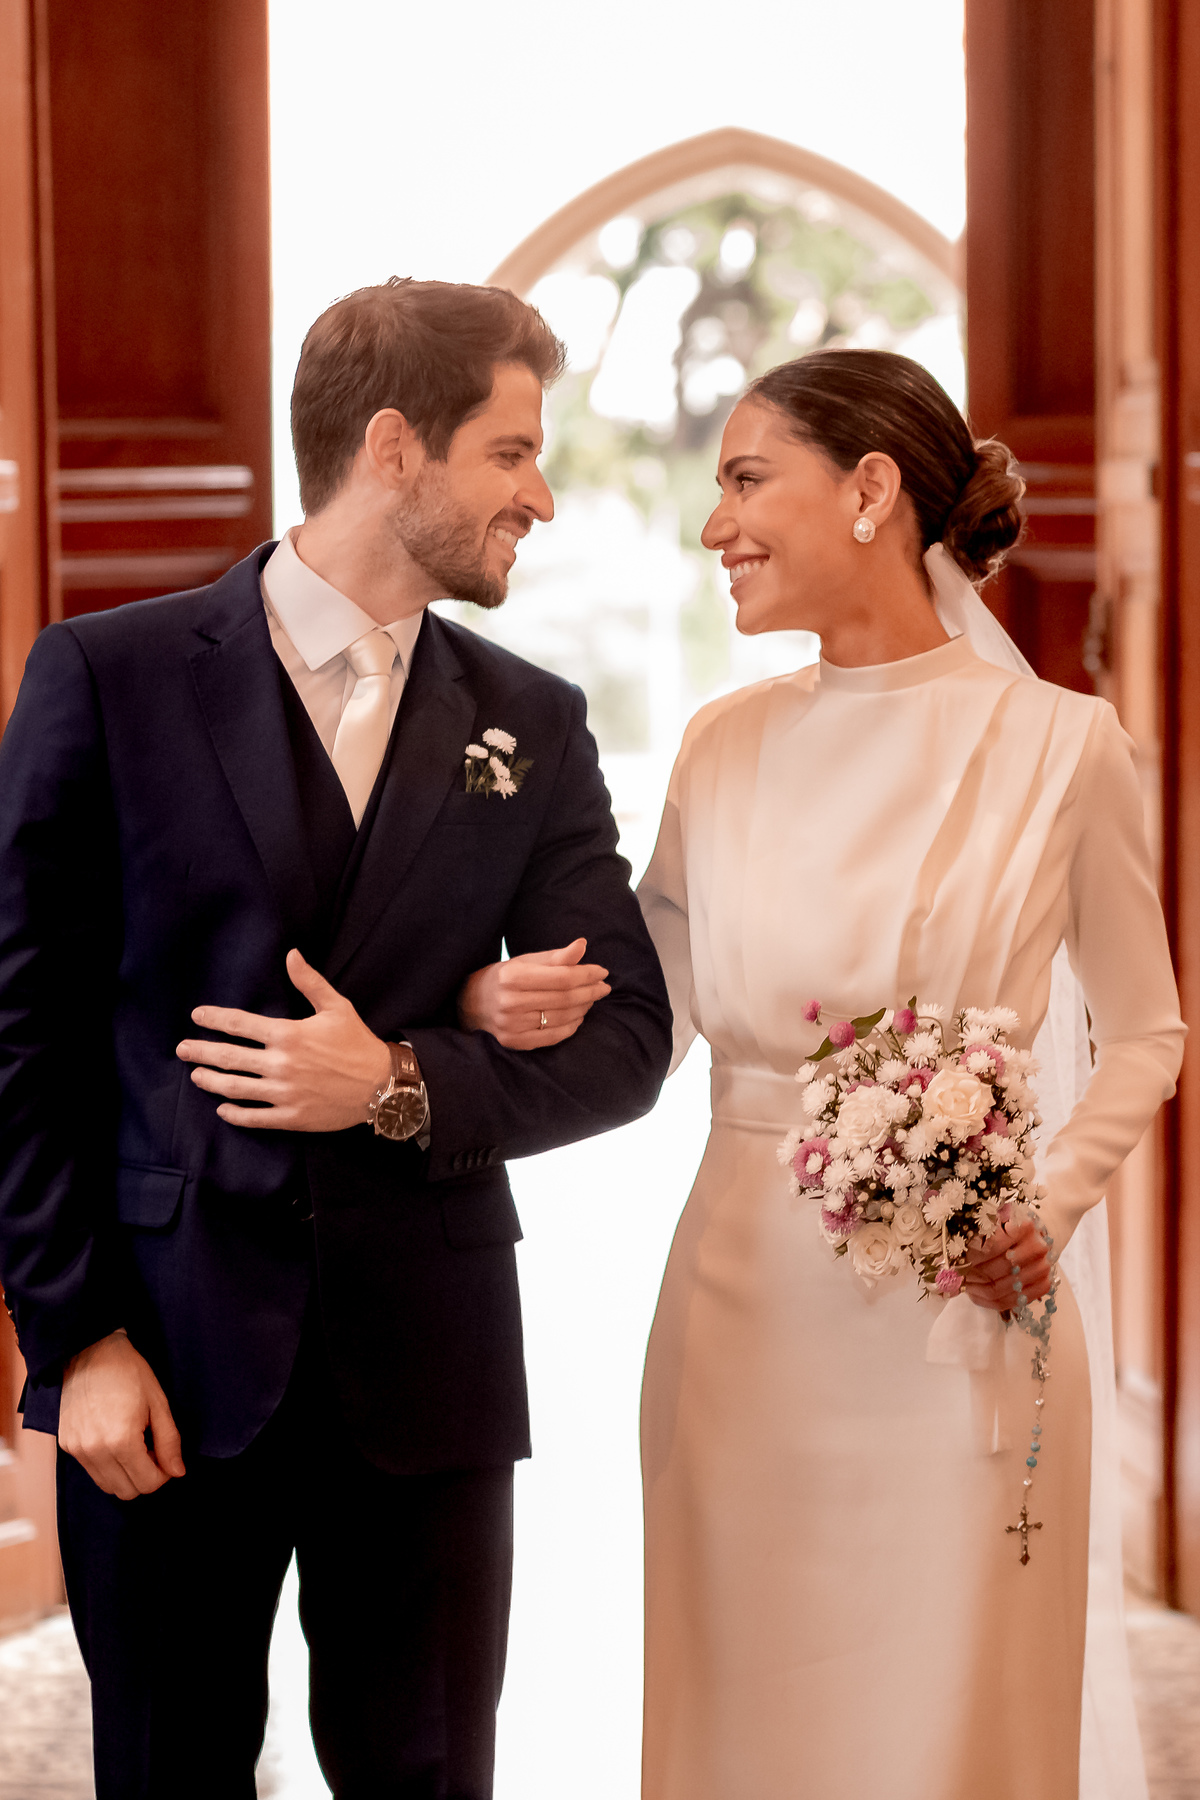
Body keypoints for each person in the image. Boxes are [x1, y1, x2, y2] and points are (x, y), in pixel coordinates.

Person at [470, 348, 1184, 1799]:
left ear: (871, 491)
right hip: (743, 1325)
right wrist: (489, 1006)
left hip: (966, 1326)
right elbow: (642, 1020)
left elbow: (1150, 1032)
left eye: (746, 480)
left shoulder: (1067, 747)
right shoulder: (722, 748)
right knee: (748, 1711)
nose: (714, 524)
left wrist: (1042, 1204)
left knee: (953, 1714)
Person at [0, 277, 672, 1799]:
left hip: (424, 1379)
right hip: (160, 1366)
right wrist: (74, 1342)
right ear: (393, 448)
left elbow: (628, 1034)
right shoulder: (106, 681)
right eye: (511, 452)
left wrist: (403, 1080)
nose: (542, 494)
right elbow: (19, 1036)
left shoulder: (534, 721)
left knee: (429, 1779)